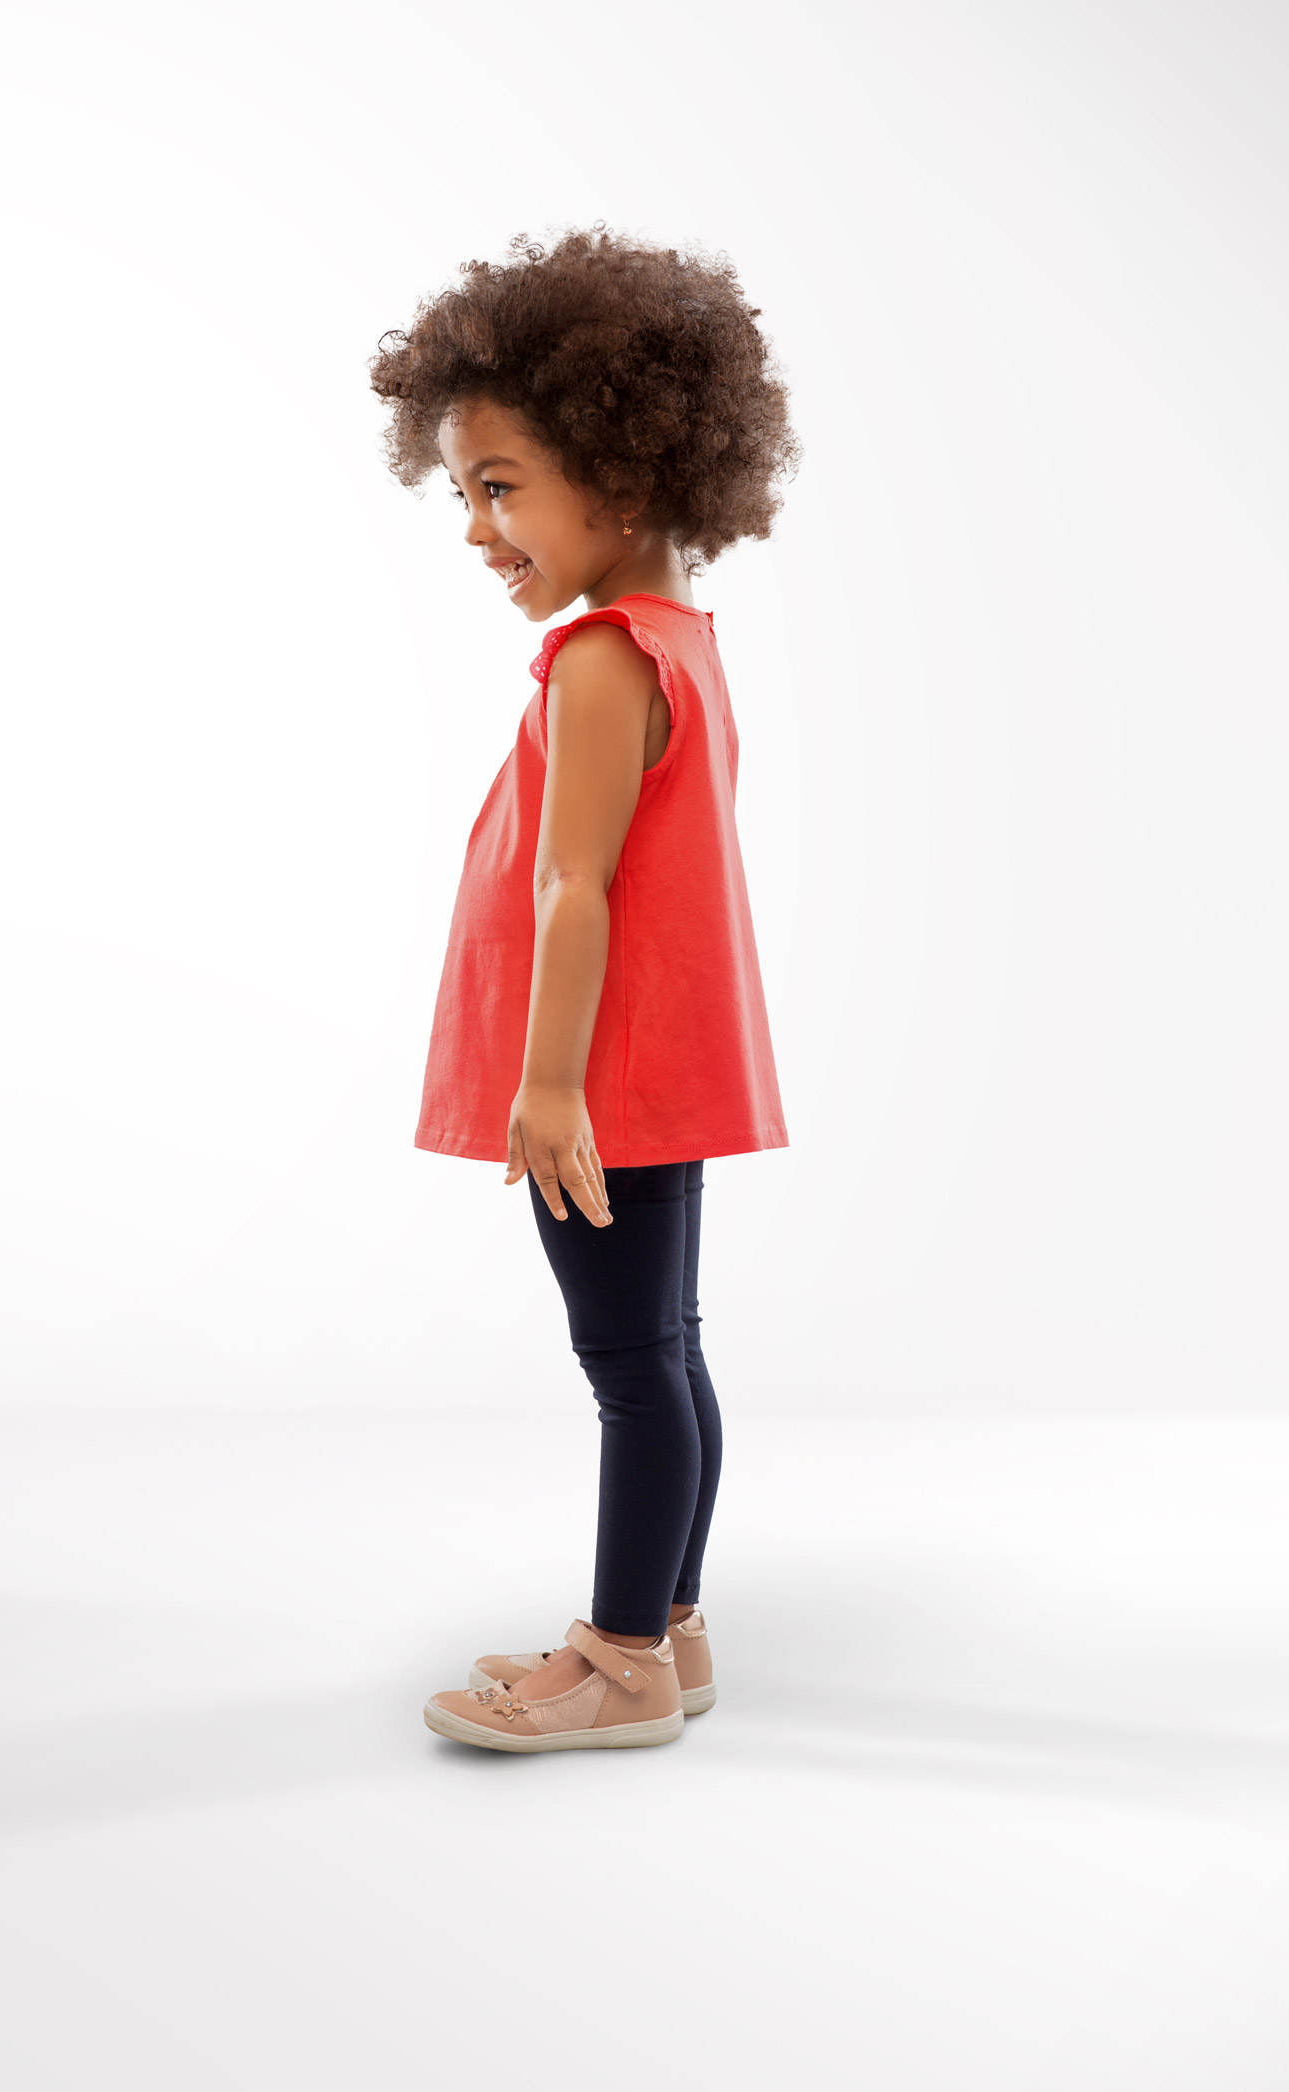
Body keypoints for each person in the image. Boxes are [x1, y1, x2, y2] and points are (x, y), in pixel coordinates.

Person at [371, 231, 796, 1753]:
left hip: (597, 1086)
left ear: (621, 478)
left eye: (501, 485)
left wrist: (548, 1087)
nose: (478, 525)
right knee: (664, 1350)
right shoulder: (677, 639)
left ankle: (618, 1661)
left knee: (630, 1367)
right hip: (644, 1072)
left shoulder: (605, 661)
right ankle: (667, 1632)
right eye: (466, 491)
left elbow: (577, 888)